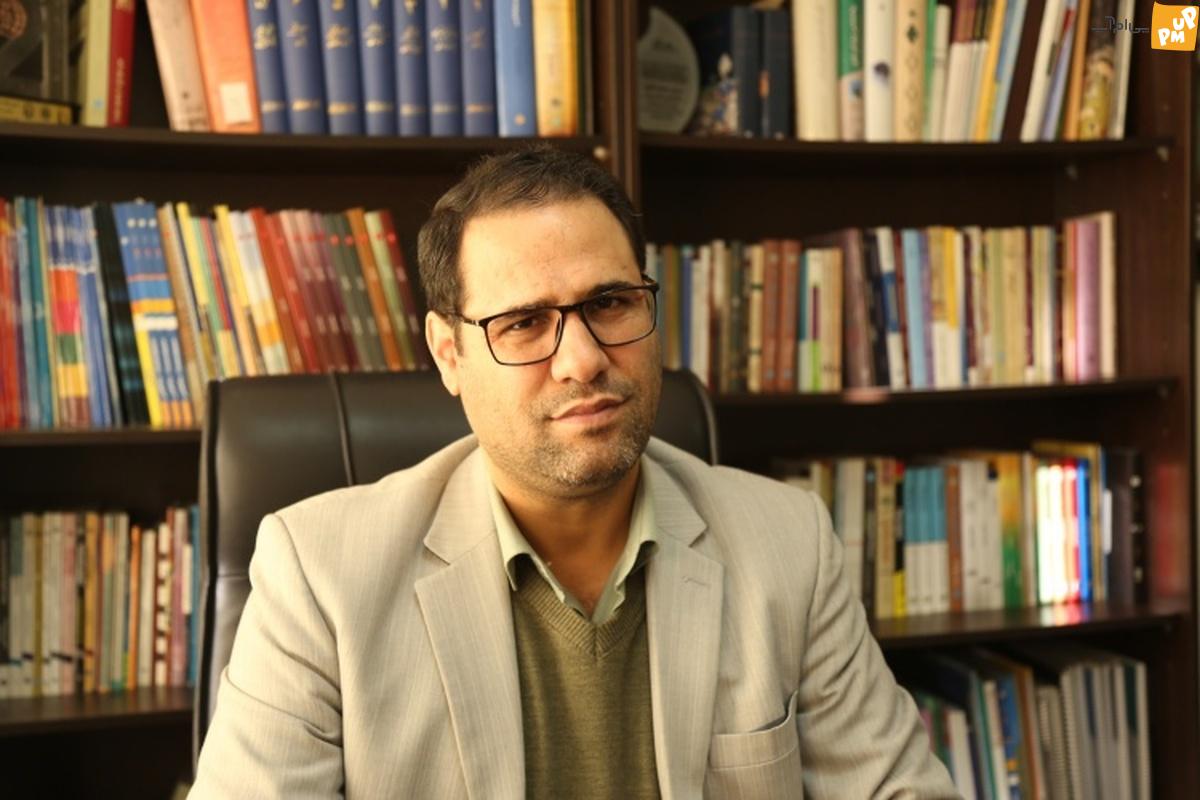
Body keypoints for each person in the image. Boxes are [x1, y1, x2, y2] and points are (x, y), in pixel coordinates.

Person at [190, 147, 958, 799]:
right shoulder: (321, 576)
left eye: (611, 303)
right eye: (524, 323)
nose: (583, 360)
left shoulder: (788, 544)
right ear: (450, 354)